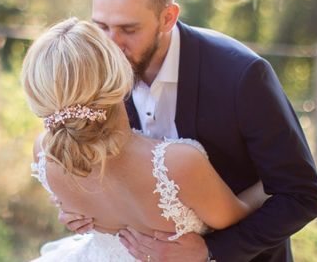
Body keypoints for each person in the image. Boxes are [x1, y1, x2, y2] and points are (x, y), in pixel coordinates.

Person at [58, 0, 317, 261]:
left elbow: (301, 195)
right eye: (101, 26)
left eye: (129, 29)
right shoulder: (95, 73)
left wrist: (211, 250)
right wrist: (82, 206)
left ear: (168, 17)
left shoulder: (243, 76)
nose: (112, 46)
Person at [22, 18, 270, 261]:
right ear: (120, 74)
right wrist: (272, 180)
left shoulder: (45, 154)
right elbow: (236, 216)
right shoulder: (176, 164)